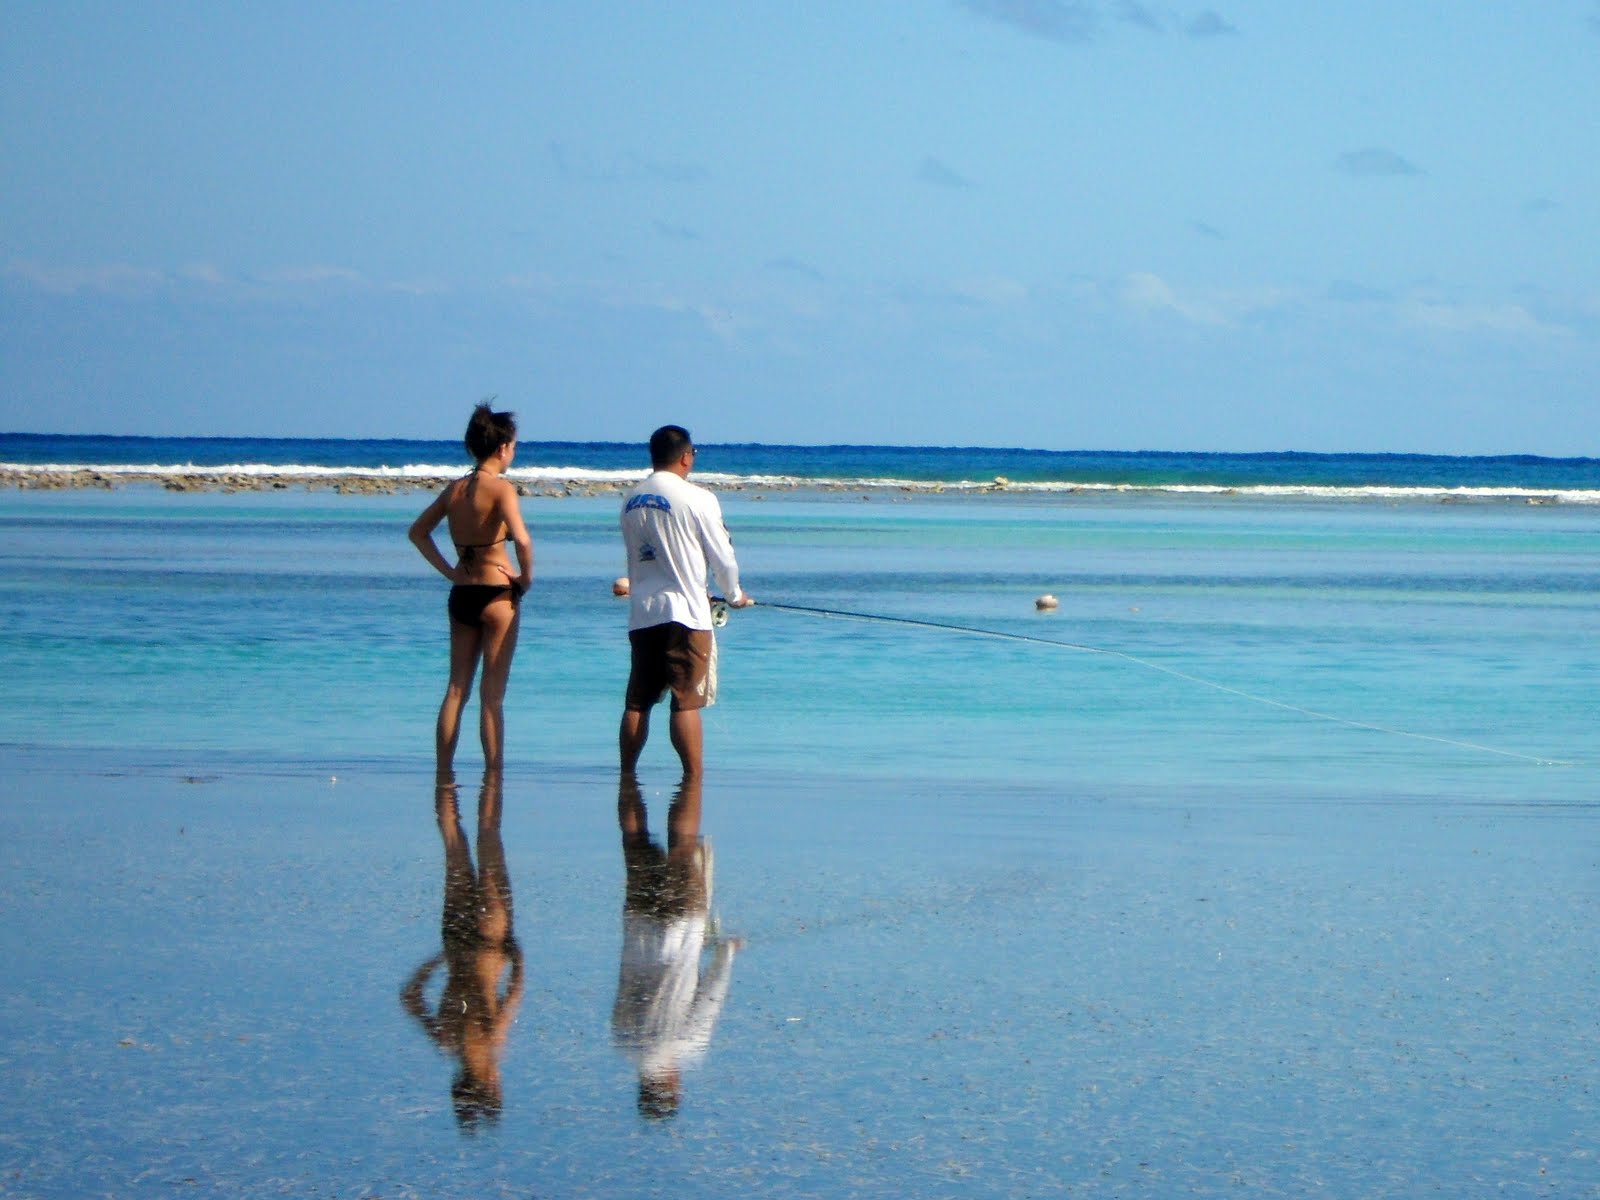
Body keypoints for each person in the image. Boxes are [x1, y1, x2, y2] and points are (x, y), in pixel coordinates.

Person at [618, 425, 753, 778]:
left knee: (638, 701)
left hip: (643, 614)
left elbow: (647, 559)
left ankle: (627, 774)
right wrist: (734, 595)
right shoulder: (699, 498)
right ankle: (693, 778)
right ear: (685, 456)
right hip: (686, 615)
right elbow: (722, 557)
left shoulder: (631, 500)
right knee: (685, 700)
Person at [409, 403, 534, 771]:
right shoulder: (501, 489)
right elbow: (523, 542)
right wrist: (525, 579)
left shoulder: (456, 490)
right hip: (498, 593)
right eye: (513, 445)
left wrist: (449, 571)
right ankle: (493, 774)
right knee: (491, 697)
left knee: (455, 690)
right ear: (502, 448)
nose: (513, 451)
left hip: (462, 591)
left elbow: (418, 533)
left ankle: (443, 770)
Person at [400, 771, 524, 1131]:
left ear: (487, 1080)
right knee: (454, 844)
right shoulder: (446, 1040)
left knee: (489, 839)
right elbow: (410, 996)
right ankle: (446, 774)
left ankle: (493, 772)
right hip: (455, 942)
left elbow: (514, 993)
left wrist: (518, 960)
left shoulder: (489, 1042)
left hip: (490, 942)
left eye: (497, 1086)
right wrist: (439, 960)